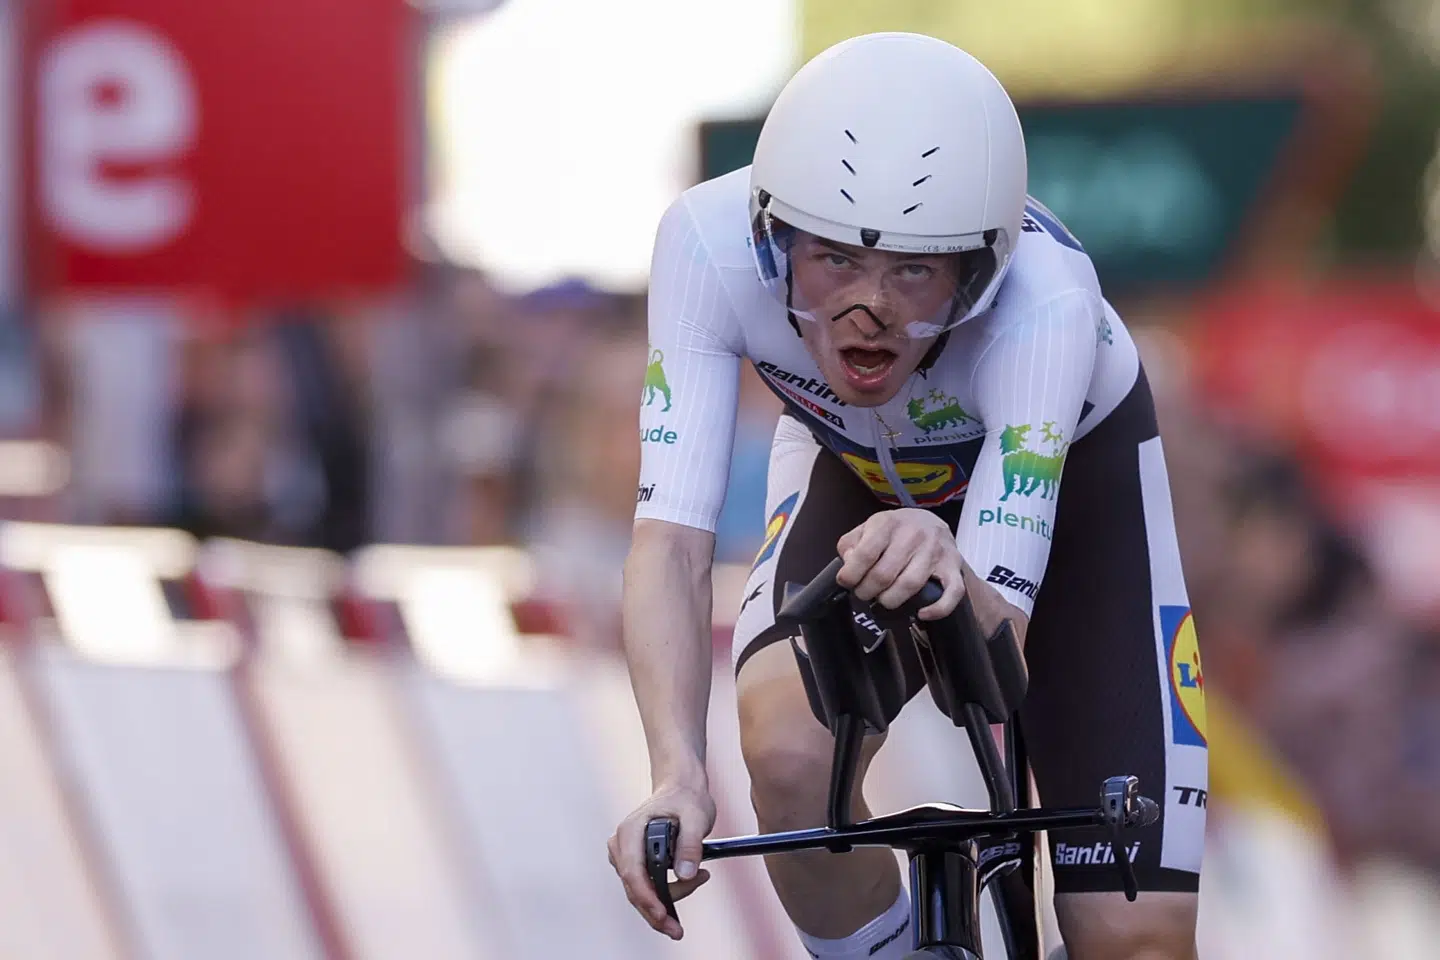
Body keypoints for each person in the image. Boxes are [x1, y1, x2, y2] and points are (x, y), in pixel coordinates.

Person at [607, 32, 1203, 960]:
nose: (868, 308)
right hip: (854, 475)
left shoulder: (1047, 300)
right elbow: (671, 542)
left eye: (916, 270)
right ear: (773, 233)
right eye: (835, 260)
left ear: (982, 269)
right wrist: (677, 774)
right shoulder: (704, 244)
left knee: (1136, 938)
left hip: (1075, 503)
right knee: (787, 758)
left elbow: (997, 645)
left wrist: (953, 564)